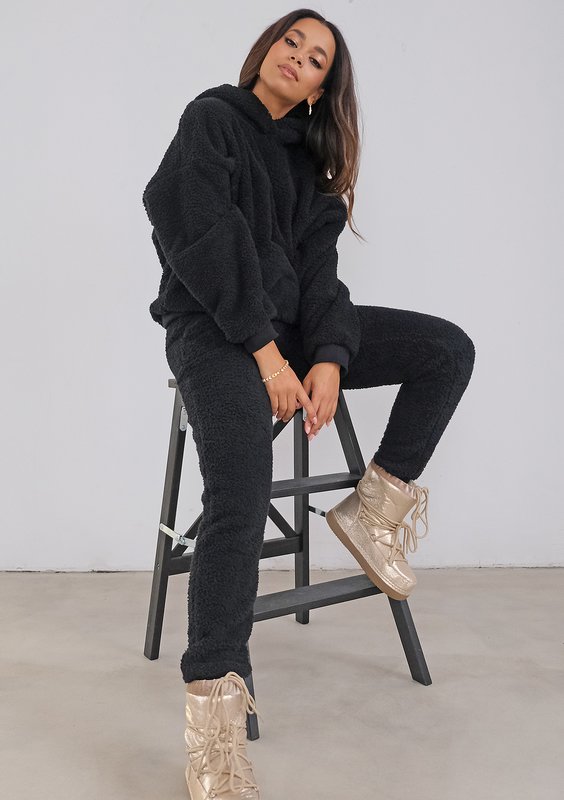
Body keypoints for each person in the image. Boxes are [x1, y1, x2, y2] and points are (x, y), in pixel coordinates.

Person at [142, 10, 475, 799]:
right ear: (267, 48)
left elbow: (322, 278)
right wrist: (268, 356)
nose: (298, 56)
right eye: (291, 40)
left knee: (446, 349)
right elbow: (200, 238)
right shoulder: (212, 120)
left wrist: (328, 358)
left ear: (325, 86)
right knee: (240, 492)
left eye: (317, 56)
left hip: (288, 336)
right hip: (214, 331)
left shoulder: (312, 167)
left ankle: (374, 512)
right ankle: (214, 730)